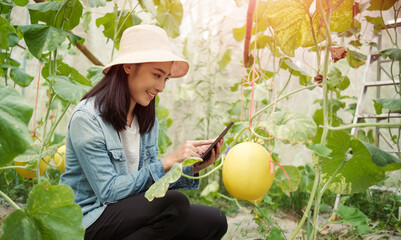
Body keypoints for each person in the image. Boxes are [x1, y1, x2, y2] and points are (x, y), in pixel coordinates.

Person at [59, 25, 228, 240]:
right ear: (129, 66)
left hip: (127, 213)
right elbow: (109, 192)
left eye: (165, 78)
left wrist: (191, 168)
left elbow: (149, 186)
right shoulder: (88, 118)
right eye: (157, 75)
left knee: (214, 221)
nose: (161, 87)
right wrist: (168, 161)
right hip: (87, 221)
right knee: (175, 205)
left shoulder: (146, 118)